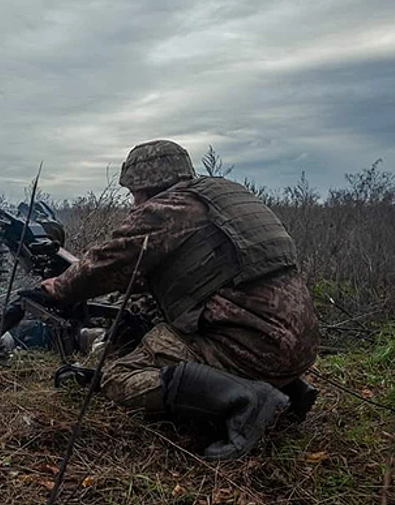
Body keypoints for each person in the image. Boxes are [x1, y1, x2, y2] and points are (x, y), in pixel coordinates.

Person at [39, 139, 320, 460]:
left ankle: (248, 399)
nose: (134, 204)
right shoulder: (223, 197)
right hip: (297, 343)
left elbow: (109, 261)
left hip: (251, 347)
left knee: (118, 377)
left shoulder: (168, 209)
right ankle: (287, 387)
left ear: (148, 186)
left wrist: (60, 287)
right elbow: (195, 272)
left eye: (134, 194)